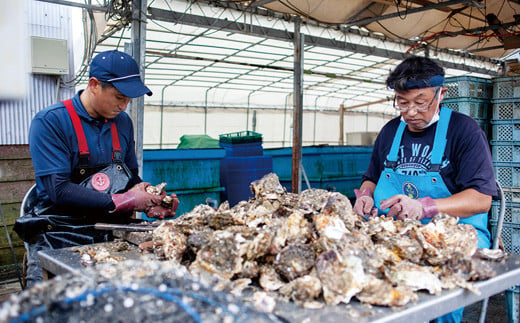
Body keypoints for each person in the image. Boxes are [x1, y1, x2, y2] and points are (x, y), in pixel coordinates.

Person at [14, 50, 179, 288]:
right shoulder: (50, 122)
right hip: (59, 234)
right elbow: (58, 190)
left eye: (129, 100)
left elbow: (131, 176)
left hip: (110, 232)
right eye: (119, 97)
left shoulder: (122, 123)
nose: (124, 106)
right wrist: (125, 201)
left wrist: (151, 200)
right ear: (94, 85)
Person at [353, 56, 496, 323]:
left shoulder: (464, 131)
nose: (411, 112)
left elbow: (481, 199)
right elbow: (371, 177)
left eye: (420, 102)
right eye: (403, 103)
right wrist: (364, 196)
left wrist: (425, 207)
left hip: (455, 234)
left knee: (435, 295)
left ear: (441, 94)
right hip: (398, 231)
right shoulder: (390, 131)